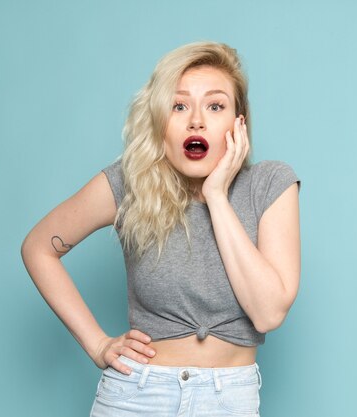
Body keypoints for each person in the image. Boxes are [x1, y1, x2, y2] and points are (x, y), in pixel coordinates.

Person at [21, 41, 301, 416]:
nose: (196, 120)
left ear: (239, 123)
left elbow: (268, 314)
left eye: (215, 106)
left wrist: (216, 195)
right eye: (179, 105)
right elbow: (38, 247)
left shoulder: (269, 185)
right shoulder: (129, 184)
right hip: (135, 395)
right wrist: (98, 344)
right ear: (159, 119)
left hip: (228, 399)